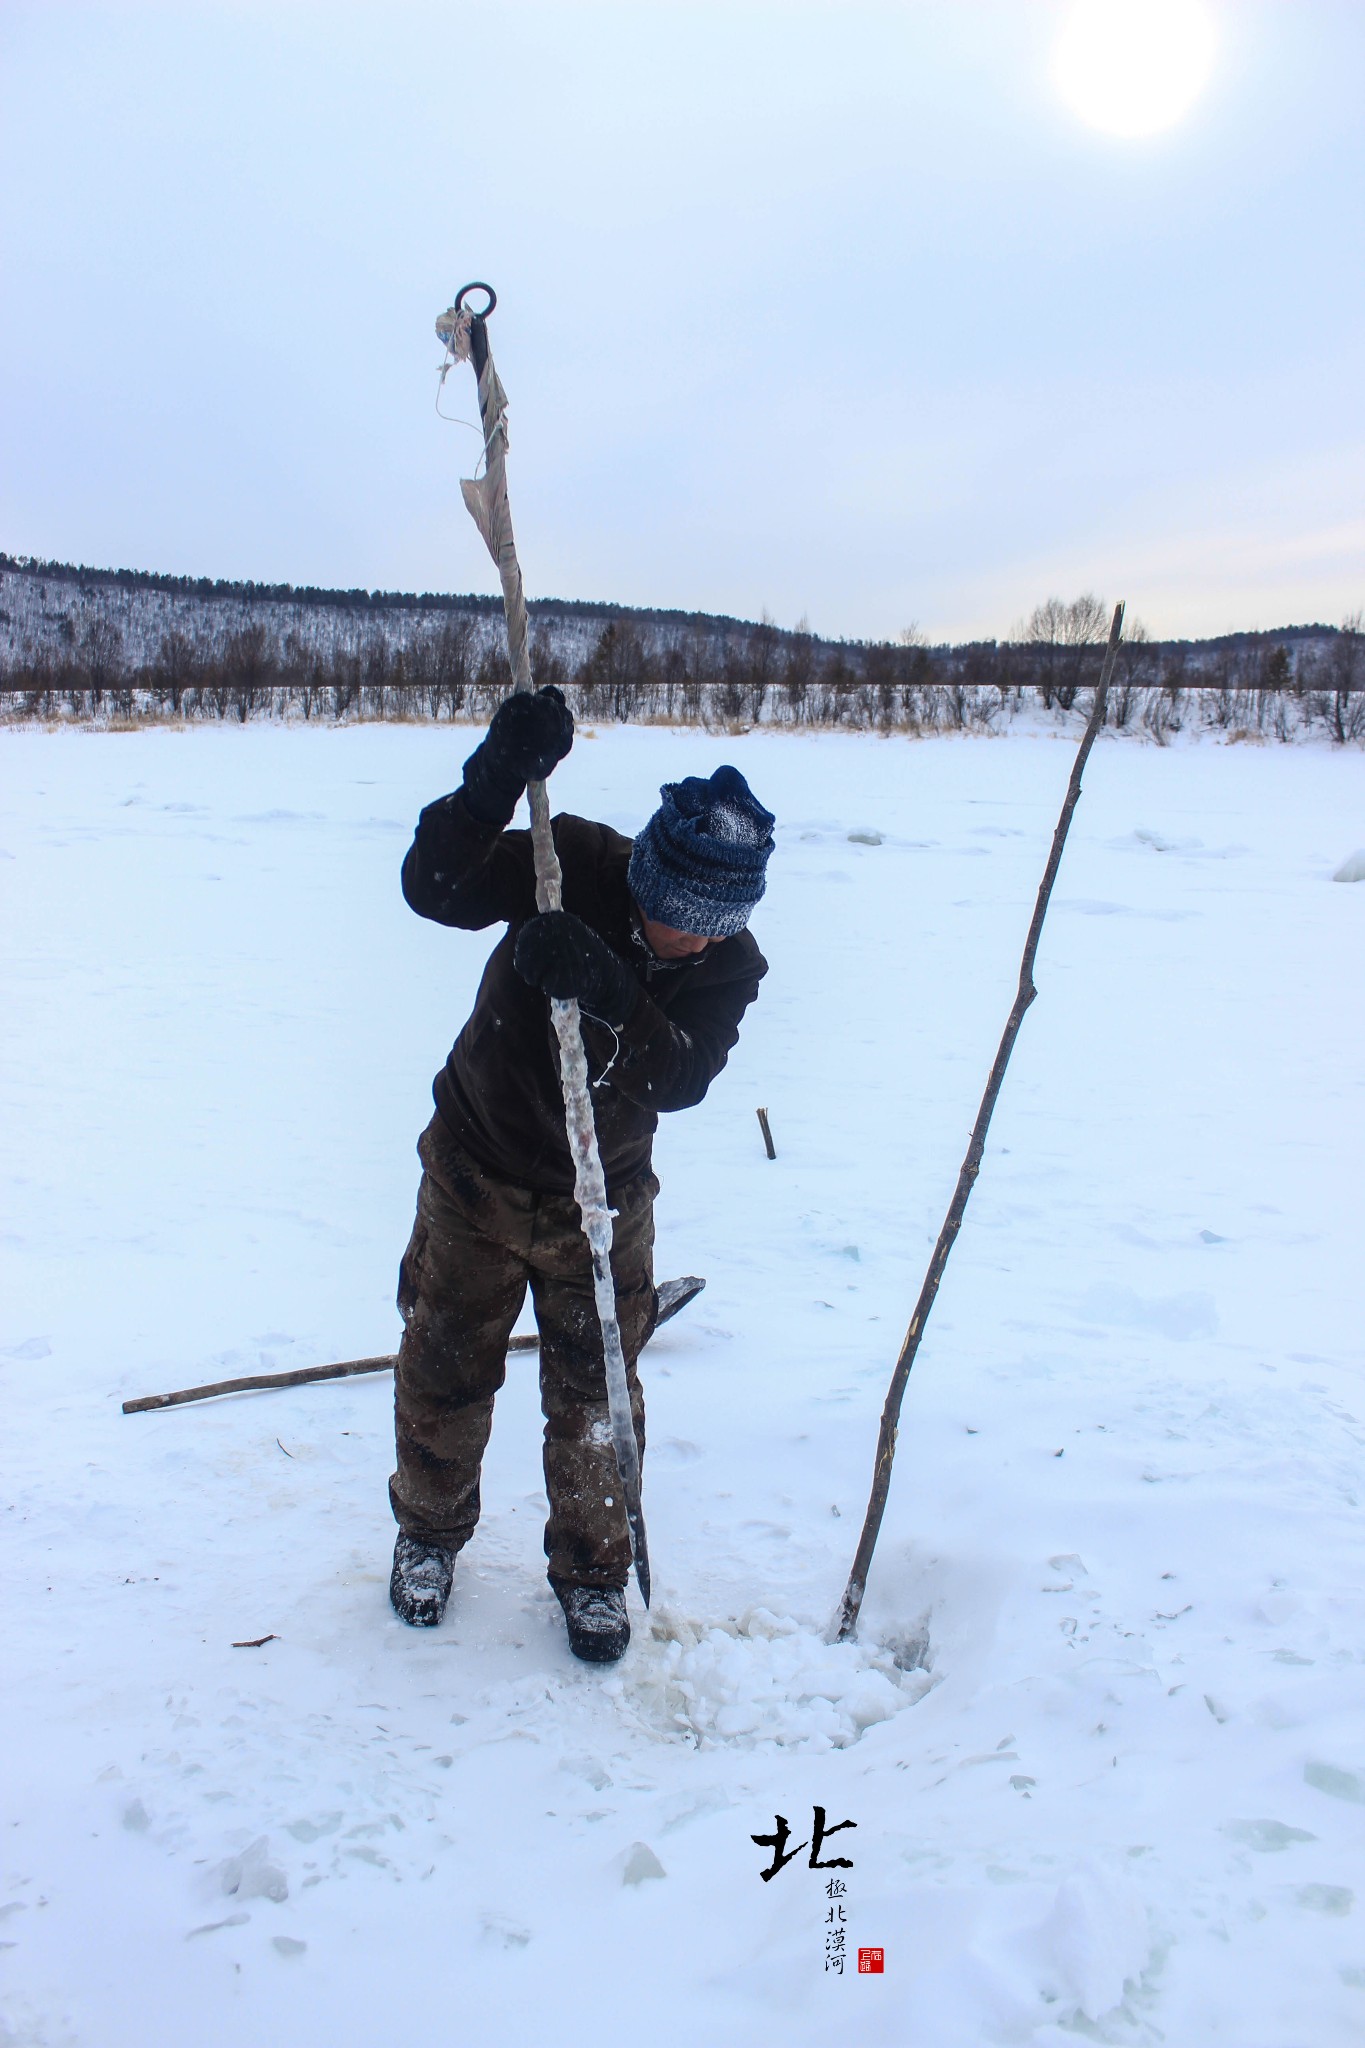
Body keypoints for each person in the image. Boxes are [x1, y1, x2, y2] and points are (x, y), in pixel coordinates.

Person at [387, 685, 774, 1663]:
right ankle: (429, 1534)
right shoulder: (573, 865)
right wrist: (493, 779)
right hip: (477, 1164)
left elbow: (679, 1075)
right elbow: (434, 886)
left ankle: (594, 1573)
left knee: (597, 1393)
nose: (669, 926)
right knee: (444, 1363)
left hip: (601, 1200)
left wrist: (608, 986)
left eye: (692, 924)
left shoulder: (731, 965)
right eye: (657, 901)